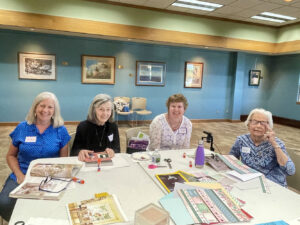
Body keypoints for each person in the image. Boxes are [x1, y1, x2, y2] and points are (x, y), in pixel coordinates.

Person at [0, 92, 70, 221]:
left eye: (50, 107)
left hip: (50, 176)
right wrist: (20, 176)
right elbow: (10, 155)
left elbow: (63, 161)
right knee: (4, 203)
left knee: (52, 207)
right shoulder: (22, 128)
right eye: (42, 106)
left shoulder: (61, 130)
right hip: (23, 173)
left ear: (55, 111)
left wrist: (54, 180)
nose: (45, 110)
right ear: (35, 108)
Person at [230, 108, 295, 187]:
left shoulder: (277, 143)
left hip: (272, 185)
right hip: (248, 182)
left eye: (263, 123)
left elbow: (290, 171)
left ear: (269, 126)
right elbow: (230, 159)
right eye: (255, 122)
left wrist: (274, 144)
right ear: (248, 124)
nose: (258, 126)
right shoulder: (241, 140)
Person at [71, 94, 120, 161]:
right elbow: (73, 152)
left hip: (107, 164)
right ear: (94, 110)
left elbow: (117, 149)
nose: (105, 113)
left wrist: (113, 151)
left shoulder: (113, 126)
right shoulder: (83, 127)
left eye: (108, 109)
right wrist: (80, 152)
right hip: (88, 164)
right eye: (101, 109)